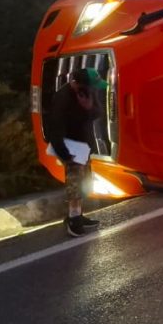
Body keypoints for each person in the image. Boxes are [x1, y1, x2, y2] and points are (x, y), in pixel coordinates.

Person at [46, 68, 107, 237]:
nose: (93, 90)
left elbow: (98, 112)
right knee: (75, 184)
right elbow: (55, 128)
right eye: (90, 86)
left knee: (84, 183)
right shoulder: (62, 98)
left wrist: (87, 107)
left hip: (83, 146)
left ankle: (78, 215)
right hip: (70, 147)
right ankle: (73, 221)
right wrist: (64, 154)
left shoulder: (87, 91)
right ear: (76, 83)